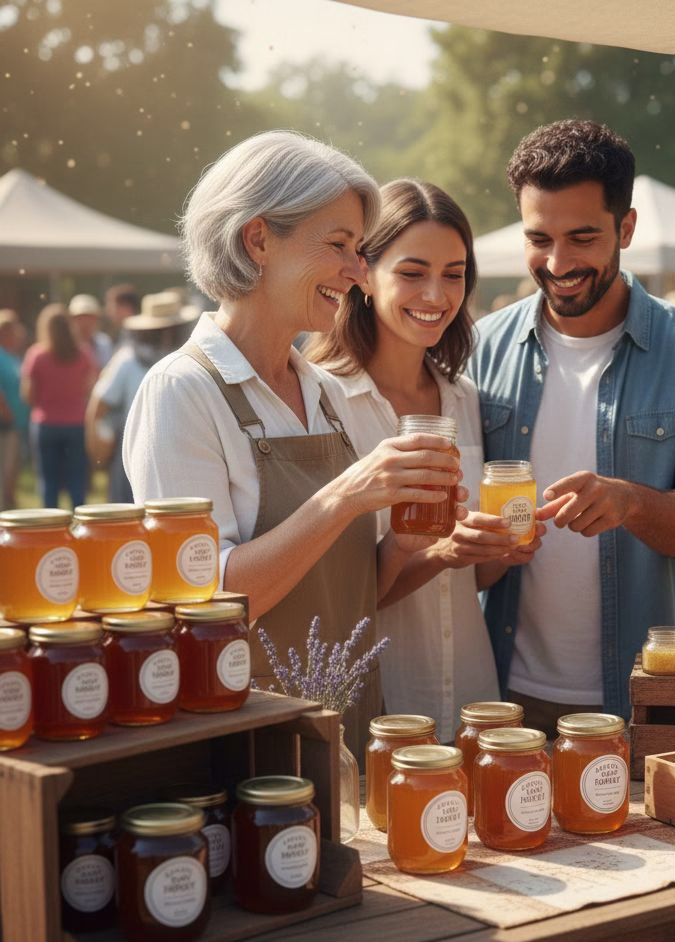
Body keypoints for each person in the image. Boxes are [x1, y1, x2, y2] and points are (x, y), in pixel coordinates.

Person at [123, 131, 464, 756]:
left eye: (360, 250)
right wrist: (345, 497)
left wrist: (406, 546)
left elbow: (358, 597)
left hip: (354, 726)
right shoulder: (181, 393)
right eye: (338, 245)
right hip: (254, 744)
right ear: (258, 240)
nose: (358, 271)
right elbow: (204, 608)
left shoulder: (322, 393)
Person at [468, 120, 675, 730]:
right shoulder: (481, 347)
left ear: (626, 228)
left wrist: (630, 503)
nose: (559, 262)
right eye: (538, 238)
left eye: (583, 237)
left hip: (645, 692)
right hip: (500, 695)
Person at [307, 180, 544, 741]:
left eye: (454, 274)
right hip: (379, 699)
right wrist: (439, 552)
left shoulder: (464, 397)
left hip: (471, 690)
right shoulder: (321, 401)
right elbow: (337, 596)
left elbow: (471, 576)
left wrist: (503, 549)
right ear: (363, 273)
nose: (436, 295)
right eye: (412, 273)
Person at [86, 292, 197, 503]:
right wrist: (98, 447)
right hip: (135, 456)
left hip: (181, 453)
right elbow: (99, 406)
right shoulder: (127, 360)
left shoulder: (189, 360)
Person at [21, 304, 97, 508]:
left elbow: (28, 394)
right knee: (77, 479)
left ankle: (51, 528)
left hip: (45, 423)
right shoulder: (83, 354)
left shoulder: (36, 354)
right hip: (75, 423)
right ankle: (80, 528)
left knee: (48, 480)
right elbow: (91, 388)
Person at [0, 310, 29, 508]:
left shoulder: (14, 356)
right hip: (5, 425)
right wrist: (6, 412)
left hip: (17, 424)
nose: (19, 334)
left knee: (12, 472)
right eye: (15, 331)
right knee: (4, 471)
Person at [68, 294, 115, 368]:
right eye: (81, 317)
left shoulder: (104, 343)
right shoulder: (64, 344)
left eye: (90, 317)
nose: (85, 322)